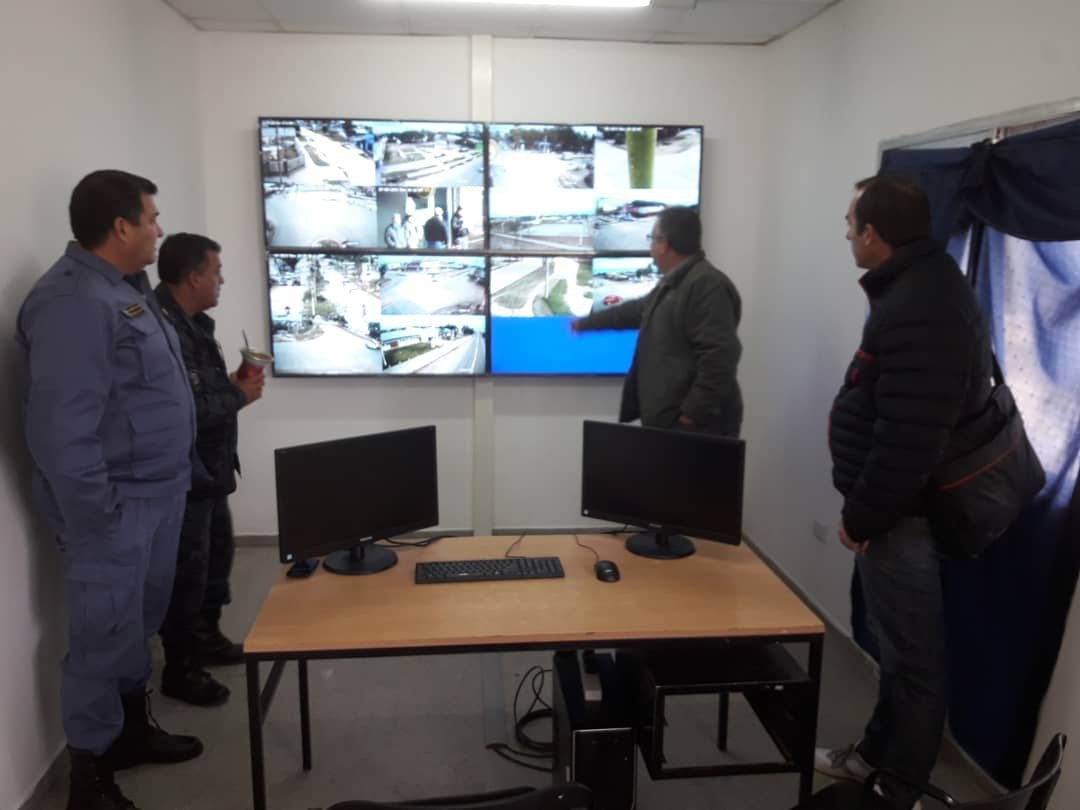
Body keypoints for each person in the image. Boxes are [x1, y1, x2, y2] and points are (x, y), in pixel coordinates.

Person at [16, 170, 203, 810]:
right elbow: (62, 431)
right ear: (120, 227)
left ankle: (129, 733)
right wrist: (100, 517)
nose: (159, 230)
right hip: (117, 508)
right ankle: (89, 776)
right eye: (152, 219)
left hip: (158, 495)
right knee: (101, 637)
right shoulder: (73, 302)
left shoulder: (124, 289)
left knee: (136, 625)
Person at [817, 176, 993, 810]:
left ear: (872, 233)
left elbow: (909, 439)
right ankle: (873, 757)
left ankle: (899, 791)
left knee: (914, 667)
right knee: (896, 654)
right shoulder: (917, 286)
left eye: (850, 223)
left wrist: (861, 517)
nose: (845, 233)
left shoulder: (922, 304)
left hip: (900, 518)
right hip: (895, 514)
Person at [155, 233, 265, 707]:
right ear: (194, 276)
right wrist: (238, 395)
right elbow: (180, 411)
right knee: (187, 575)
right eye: (216, 271)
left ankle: (208, 638)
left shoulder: (195, 325)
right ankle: (181, 670)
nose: (222, 280)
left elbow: (201, 393)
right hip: (184, 475)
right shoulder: (162, 330)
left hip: (210, 470)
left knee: (215, 560)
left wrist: (232, 384)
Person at [571, 206, 742, 436]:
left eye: (652, 239)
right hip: (672, 425)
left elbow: (720, 357)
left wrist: (690, 416)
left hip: (695, 431)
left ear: (664, 243)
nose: (650, 248)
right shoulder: (677, 283)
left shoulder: (706, 286)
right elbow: (636, 311)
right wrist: (588, 323)